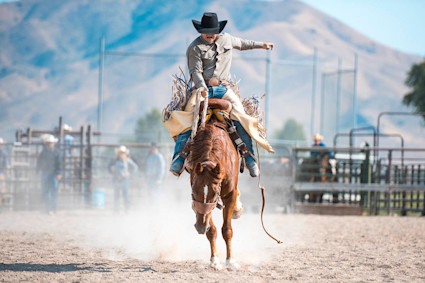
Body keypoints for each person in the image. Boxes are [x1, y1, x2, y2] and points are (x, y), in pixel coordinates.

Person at [165, 12, 275, 177]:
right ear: (201, 30)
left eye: (213, 30)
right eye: (206, 31)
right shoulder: (194, 48)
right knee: (188, 118)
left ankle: (250, 158)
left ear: (218, 30)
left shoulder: (228, 39)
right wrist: (202, 88)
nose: (210, 34)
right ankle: (178, 159)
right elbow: (195, 71)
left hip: (225, 89)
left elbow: (244, 43)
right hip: (202, 90)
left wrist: (262, 45)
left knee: (241, 117)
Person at [37, 134, 62, 214]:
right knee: (45, 192)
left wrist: (59, 173)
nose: (50, 144)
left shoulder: (57, 153)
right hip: (45, 173)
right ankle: (47, 208)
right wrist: (38, 170)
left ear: (53, 143)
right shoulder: (44, 152)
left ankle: (52, 208)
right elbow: (39, 162)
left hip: (53, 174)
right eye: (48, 143)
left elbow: (60, 163)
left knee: (53, 192)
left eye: (51, 143)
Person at [108, 145, 138, 212]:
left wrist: (129, 173)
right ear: (118, 153)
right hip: (116, 179)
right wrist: (112, 173)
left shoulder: (127, 160)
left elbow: (135, 167)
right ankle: (116, 210)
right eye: (120, 152)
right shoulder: (114, 160)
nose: (121, 153)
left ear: (125, 153)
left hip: (124, 179)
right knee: (116, 195)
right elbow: (108, 166)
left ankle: (127, 209)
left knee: (126, 195)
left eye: (123, 152)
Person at [0, 138, 10, 207]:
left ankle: (1, 204)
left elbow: (7, 164)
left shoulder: (4, 153)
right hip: (1, 173)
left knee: (1, 188)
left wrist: (8, 172)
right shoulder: (4, 153)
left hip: (1, 173)